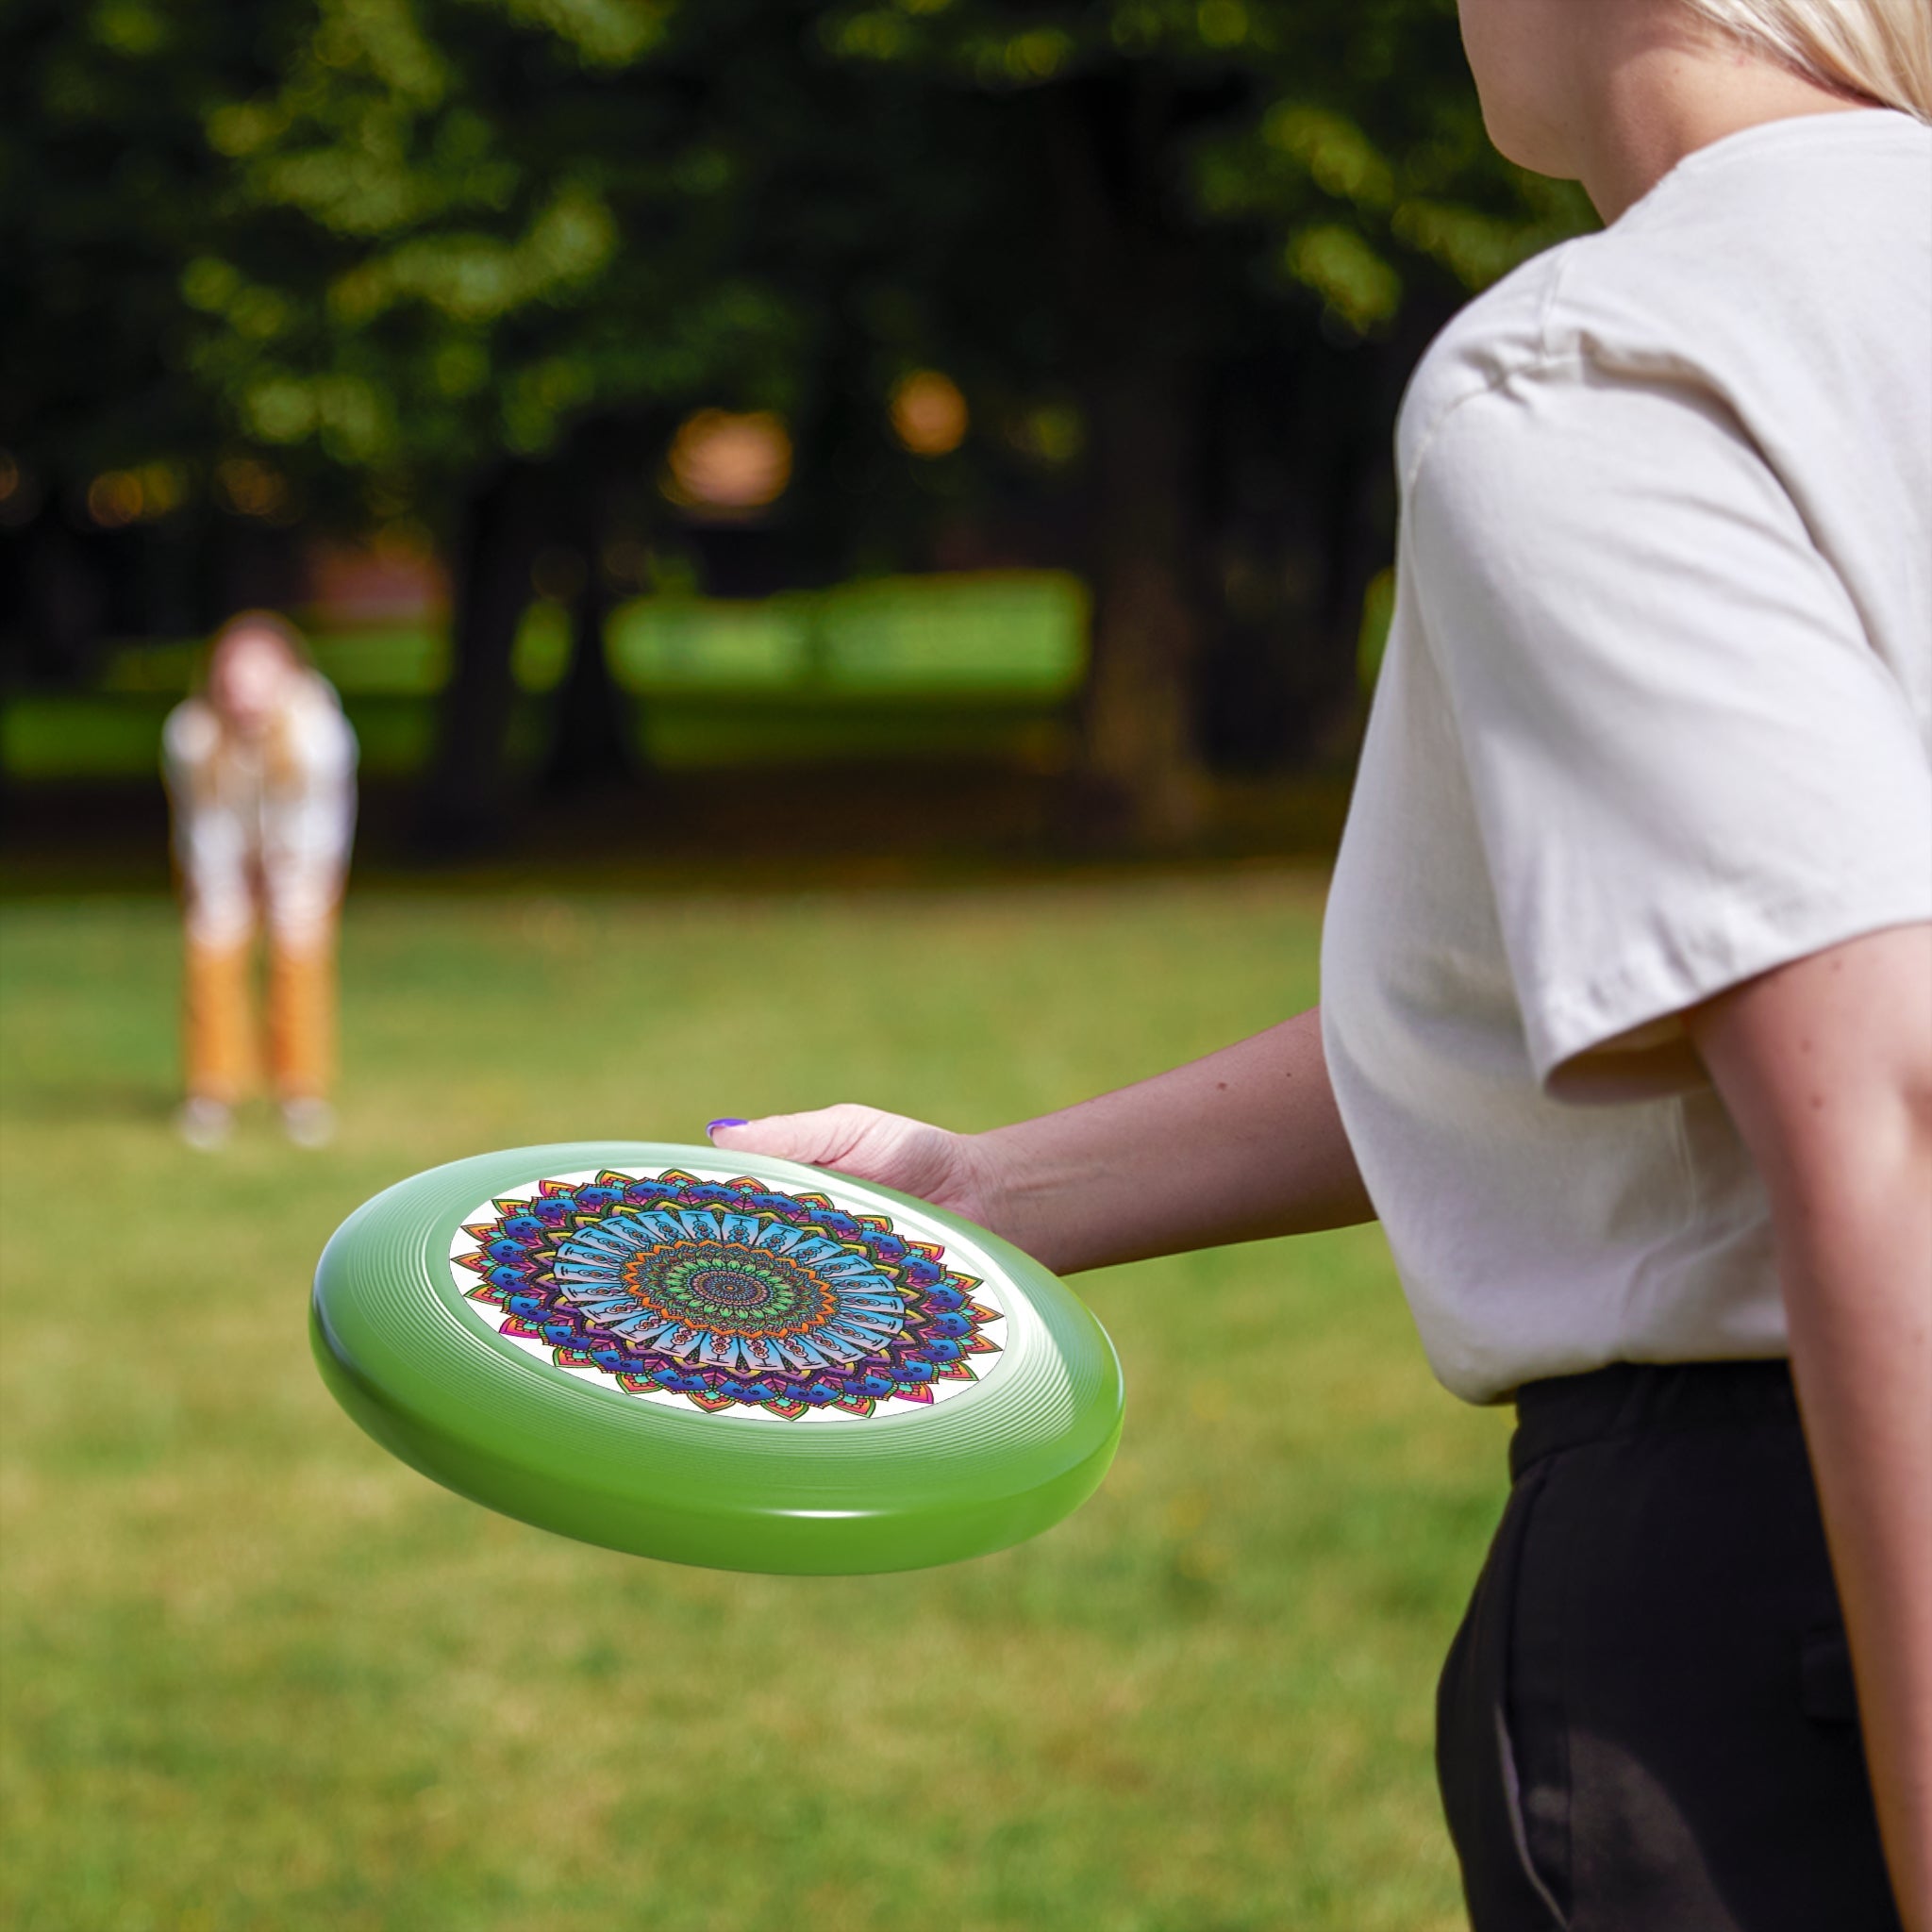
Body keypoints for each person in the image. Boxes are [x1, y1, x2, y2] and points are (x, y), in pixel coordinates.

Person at [705, 2, 1932, 1925]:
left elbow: (1885, 1101)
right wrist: (985, 1189)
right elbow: (1623, 991)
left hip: (1793, 1594)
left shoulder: (1608, 362)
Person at [162, 611, 358, 1150]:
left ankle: (301, 1092)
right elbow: (204, 823)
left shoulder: (319, 733)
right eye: (233, 675)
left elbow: (318, 824)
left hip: (302, 858)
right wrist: (224, 888)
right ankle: (212, 1091)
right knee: (212, 952)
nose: (244, 690)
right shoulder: (191, 735)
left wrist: (287, 881)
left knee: (299, 959)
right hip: (221, 857)